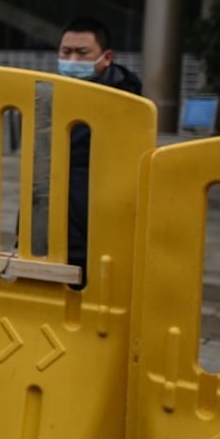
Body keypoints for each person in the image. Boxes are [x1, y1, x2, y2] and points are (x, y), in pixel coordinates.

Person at [56, 16, 142, 283]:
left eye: (82, 53)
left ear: (106, 57)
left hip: (99, 233)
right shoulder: (53, 93)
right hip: (51, 231)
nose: (72, 60)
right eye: (65, 52)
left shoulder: (126, 104)